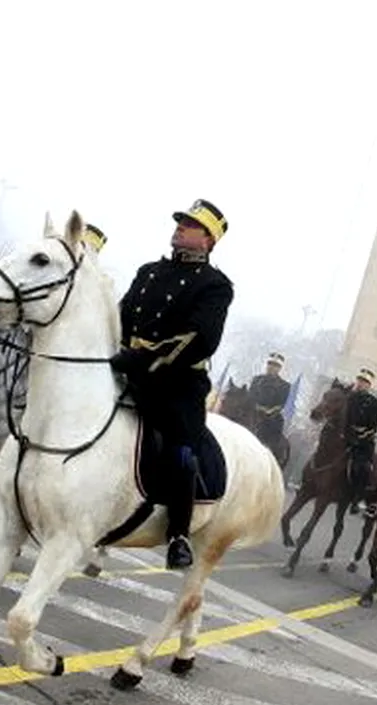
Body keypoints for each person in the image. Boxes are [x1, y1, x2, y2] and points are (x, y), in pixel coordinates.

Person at [110, 199, 233, 570]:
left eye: (191, 225)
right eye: (180, 221)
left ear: (208, 239)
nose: (180, 227)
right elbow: (121, 316)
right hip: (127, 367)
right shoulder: (148, 272)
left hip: (176, 383)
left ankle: (178, 534)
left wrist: (141, 359)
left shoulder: (215, 285)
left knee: (182, 451)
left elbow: (199, 338)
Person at [345, 368, 377, 516]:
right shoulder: (349, 397)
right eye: (359, 380)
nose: (361, 384)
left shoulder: (374, 403)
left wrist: (359, 436)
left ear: (369, 385)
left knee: (364, 468)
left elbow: (373, 427)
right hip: (346, 437)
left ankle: (357, 499)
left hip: (363, 442)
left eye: (365, 382)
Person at [248, 352, 291, 449]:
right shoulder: (256, 379)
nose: (272, 367)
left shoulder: (285, 385)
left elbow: (281, 404)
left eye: (276, 365)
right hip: (253, 410)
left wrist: (268, 411)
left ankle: (271, 449)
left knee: (277, 424)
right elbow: (250, 395)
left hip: (271, 415)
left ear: (280, 368)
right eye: (270, 363)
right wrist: (256, 406)